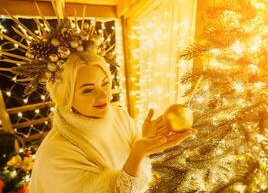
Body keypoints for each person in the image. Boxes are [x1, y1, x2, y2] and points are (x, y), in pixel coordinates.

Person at [29, 51, 197, 193]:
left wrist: (144, 141)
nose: (103, 96)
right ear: (66, 96)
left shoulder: (119, 117)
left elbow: (137, 176)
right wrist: (138, 153)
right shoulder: (56, 154)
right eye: (88, 90)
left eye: (105, 83)